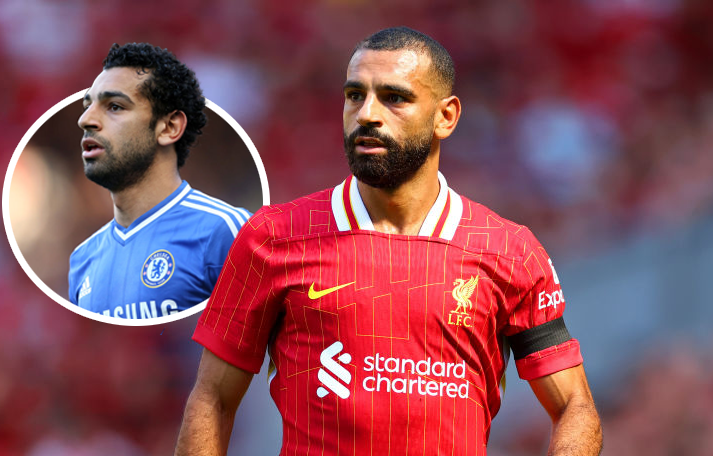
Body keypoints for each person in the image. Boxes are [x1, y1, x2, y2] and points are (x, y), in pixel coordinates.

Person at [176, 27, 602, 455]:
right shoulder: (273, 236)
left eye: (394, 97)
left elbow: (574, 405)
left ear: (446, 116)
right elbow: (213, 398)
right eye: (355, 95)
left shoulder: (509, 250)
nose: (367, 114)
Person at [68, 43, 250, 319]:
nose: (85, 120)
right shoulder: (82, 260)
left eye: (114, 106)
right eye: (88, 105)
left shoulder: (224, 231)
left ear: (169, 127)